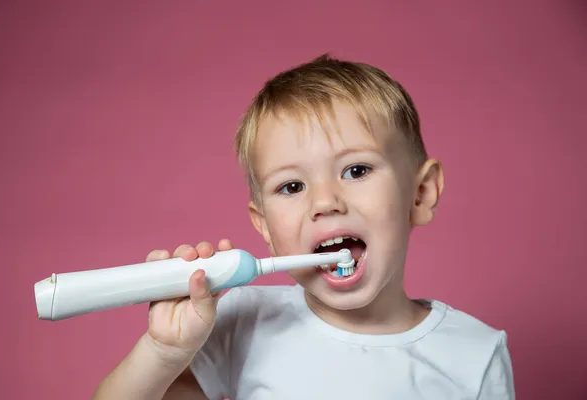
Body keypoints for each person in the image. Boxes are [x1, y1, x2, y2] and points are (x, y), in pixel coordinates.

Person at [93, 54, 515, 399]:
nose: (325, 203)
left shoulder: (474, 354)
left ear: (420, 194)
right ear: (265, 226)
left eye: (356, 170)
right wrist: (164, 351)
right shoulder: (243, 322)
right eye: (292, 186)